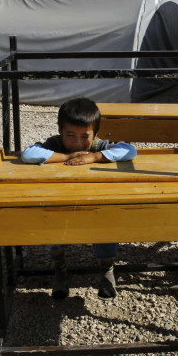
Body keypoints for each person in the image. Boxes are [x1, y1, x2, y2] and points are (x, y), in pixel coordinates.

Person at [21, 97, 137, 300]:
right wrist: (66, 157)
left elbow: (130, 150)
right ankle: (61, 270)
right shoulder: (55, 144)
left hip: (95, 204)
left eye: (85, 136)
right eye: (70, 135)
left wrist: (94, 156)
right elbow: (28, 154)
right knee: (53, 225)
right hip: (61, 203)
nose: (77, 143)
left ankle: (107, 272)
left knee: (106, 225)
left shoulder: (98, 146)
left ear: (95, 134)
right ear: (60, 131)